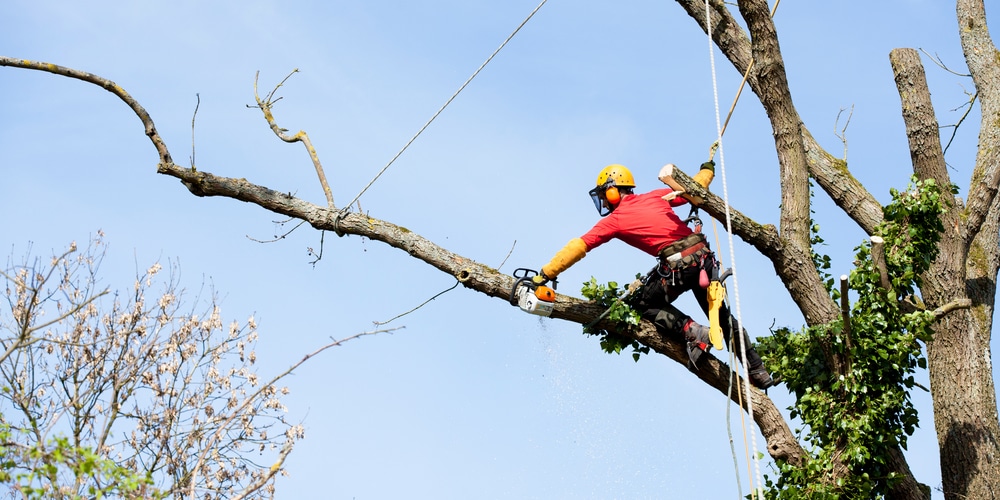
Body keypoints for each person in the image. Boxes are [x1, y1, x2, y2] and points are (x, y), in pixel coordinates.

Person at [533, 163, 776, 389]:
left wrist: (545, 273)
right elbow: (694, 185)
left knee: (642, 304)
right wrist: (707, 170)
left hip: (679, 267)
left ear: (612, 192)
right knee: (722, 318)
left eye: (604, 197)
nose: (605, 205)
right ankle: (757, 370)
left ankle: (694, 331)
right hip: (703, 260)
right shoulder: (655, 196)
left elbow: (579, 246)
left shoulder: (615, 221)